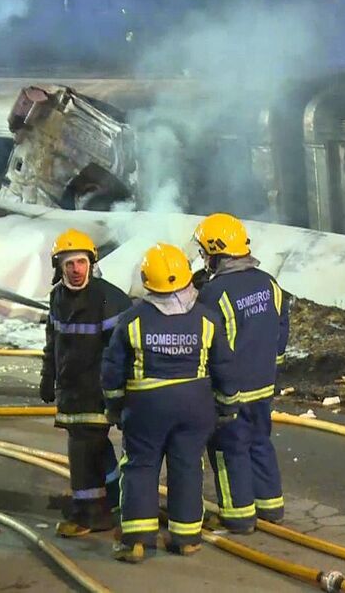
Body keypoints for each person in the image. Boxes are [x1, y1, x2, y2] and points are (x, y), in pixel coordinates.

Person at [101, 243, 233, 563]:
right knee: (187, 466)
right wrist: (227, 404)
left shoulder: (132, 320)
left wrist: (115, 407)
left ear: (147, 280)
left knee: (140, 467)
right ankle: (186, 537)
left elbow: (112, 369)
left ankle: (137, 540)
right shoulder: (207, 319)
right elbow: (224, 366)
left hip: (146, 408)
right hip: (195, 407)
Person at [194, 213, 290, 534]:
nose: (203, 259)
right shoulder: (269, 283)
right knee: (260, 442)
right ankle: (271, 507)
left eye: (205, 252)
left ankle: (239, 516)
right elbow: (280, 336)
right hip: (264, 385)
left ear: (216, 252)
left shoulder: (213, 294)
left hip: (230, 390)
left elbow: (210, 344)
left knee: (227, 449)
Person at [40, 228, 132, 538]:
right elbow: (53, 343)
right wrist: (47, 376)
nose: (76, 270)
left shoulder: (108, 298)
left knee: (83, 453)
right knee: (97, 450)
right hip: (71, 392)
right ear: (60, 267)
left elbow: (123, 351)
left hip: (97, 393)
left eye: (81, 262)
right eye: (69, 264)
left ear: (91, 263)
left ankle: (91, 514)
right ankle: (119, 500)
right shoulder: (57, 298)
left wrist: (117, 393)